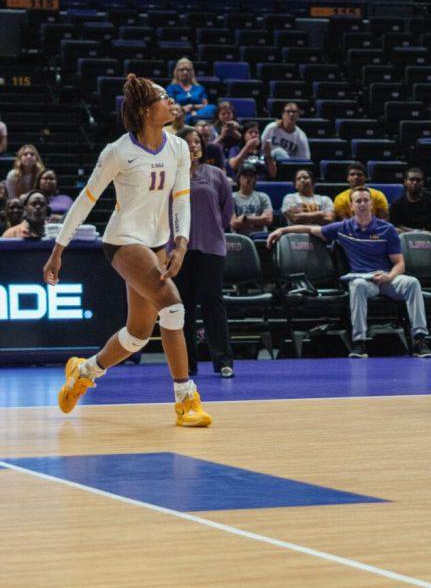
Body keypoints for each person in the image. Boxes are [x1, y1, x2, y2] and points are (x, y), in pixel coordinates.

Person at [44, 74, 210, 427]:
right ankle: (186, 399)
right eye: (164, 97)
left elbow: (181, 200)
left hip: (157, 242)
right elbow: (86, 200)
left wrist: (181, 243)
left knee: (136, 335)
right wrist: (59, 249)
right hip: (122, 241)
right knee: (174, 307)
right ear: (147, 110)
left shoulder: (178, 147)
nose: (171, 101)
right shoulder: (118, 152)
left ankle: (83, 372)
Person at [266, 186, 431, 358]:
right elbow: (310, 229)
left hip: (386, 278)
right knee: (357, 285)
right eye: (358, 201)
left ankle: (420, 340)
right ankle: (359, 343)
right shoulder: (343, 228)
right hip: (365, 281)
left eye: (365, 200)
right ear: (351, 206)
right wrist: (282, 230)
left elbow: (399, 264)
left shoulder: (387, 229)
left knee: (412, 282)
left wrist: (389, 276)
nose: (362, 204)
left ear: (371, 204)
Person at [174, 127, 235, 378]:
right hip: (179, 250)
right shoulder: (171, 177)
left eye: (197, 142)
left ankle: (223, 361)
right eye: (188, 142)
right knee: (183, 308)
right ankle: (187, 364)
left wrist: (210, 230)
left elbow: (227, 211)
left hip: (210, 249)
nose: (193, 146)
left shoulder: (216, 175)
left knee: (213, 304)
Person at [166, 57, 216, 124]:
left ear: (192, 72)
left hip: (196, 113)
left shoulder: (199, 88)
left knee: (213, 107)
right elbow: (170, 104)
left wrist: (192, 107)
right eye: (182, 70)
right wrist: (183, 109)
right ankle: (188, 119)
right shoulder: (171, 88)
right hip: (179, 114)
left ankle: (190, 118)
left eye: (188, 70)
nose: (185, 72)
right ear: (176, 72)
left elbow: (205, 105)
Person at [230, 164, 273, 236]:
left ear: (255, 179)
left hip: (260, 236)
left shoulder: (263, 197)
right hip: (240, 238)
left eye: (251, 175)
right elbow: (234, 224)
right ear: (238, 178)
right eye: (245, 175)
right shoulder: (231, 197)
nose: (248, 178)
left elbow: (268, 220)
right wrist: (259, 221)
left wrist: (245, 219)